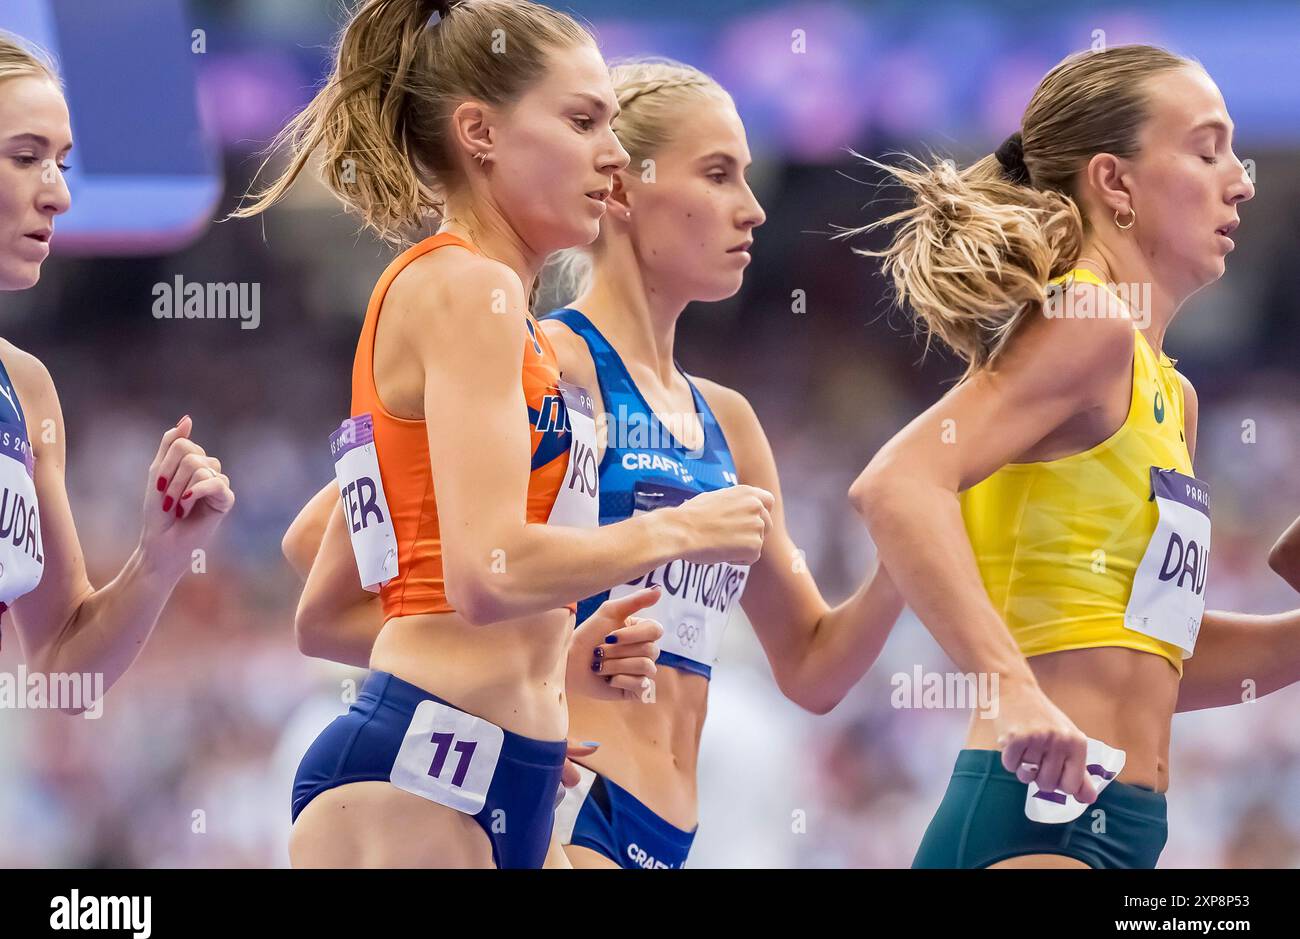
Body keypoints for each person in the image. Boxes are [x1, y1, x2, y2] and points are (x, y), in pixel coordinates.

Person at [237, 0, 773, 869]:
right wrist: (679, 527)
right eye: (581, 119)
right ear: (480, 131)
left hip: (506, 768)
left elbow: (341, 597)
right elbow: (486, 574)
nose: (611, 152)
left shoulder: (509, 319)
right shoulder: (470, 291)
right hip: (419, 771)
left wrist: (557, 662)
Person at [846, 44, 1300, 868]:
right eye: (1207, 150)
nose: (1242, 179)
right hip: (1035, 820)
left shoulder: (1169, 392)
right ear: (1114, 183)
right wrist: (1009, 684)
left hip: (1121, 827)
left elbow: (1144, 661)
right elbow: (898, 483)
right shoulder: (1088, 322)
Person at [540, 58, 903, 870]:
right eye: (719, 174)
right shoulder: (549, 364)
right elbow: (359, 562)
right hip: (567, 808)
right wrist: (542, 672)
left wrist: (914, 547)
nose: (755, 207)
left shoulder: (727, 422)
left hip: (677, 831)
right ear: (624, 191)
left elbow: (812, 666)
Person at [0, 31, 234, 707]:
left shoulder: (27, 392)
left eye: (62, 165)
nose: (58, 197)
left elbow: (58, 669)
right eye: (25, 158)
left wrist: (155, 562)